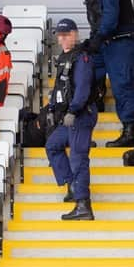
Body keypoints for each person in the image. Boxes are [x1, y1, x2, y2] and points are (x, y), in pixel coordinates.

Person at [73, 0, 134, 148]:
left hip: (120, 42)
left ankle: (129, 132)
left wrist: (98, 38)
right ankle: (85, 122)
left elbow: (111, 16)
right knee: (85, 72)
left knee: (123, 84)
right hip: (106, 42)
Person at [46, 18, 98, 220]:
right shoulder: (64, 58)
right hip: (68, 116)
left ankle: (84, 205)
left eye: (66, 35)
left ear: (75, 34)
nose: (62, 39)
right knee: (53, 145)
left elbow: (83, 89)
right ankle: (73, 187)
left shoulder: (81, 58)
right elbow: (59, 88)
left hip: (80, 115)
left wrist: (74, 111)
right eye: (60, 35)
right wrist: (51, 109)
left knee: (78, 158)